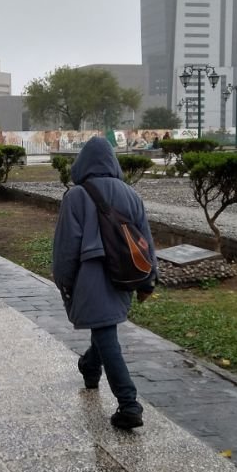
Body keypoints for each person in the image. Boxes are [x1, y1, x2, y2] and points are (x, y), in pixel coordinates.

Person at [52, 136, 157, 429]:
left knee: (106, 333)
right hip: (125, 275)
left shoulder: (76, 196)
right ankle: (89, 365)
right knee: (105, 326)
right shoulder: (130, 194)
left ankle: (129, 404)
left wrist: (63, 280)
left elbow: (66, 247)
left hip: (92, 278)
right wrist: (149, 280)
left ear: (82, 163)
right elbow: (145, 241)